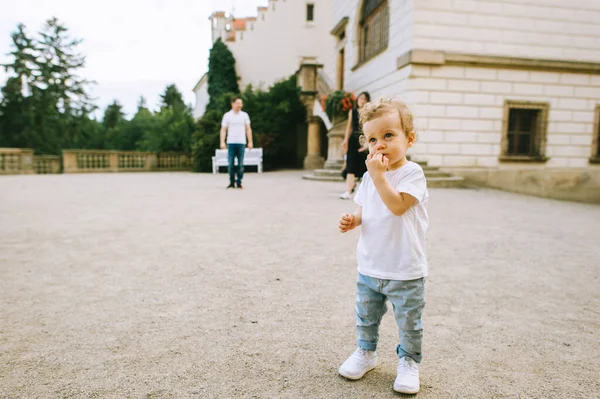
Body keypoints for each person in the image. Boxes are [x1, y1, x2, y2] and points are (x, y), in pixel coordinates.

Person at [337, 97, 429, 394]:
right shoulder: (368, 177)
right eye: (374, 138)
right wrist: (355, 219)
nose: (380, 145)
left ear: (409, 139)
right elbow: (368, 207)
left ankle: (409, 362)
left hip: (405, 268)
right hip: (371, 264)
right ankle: (366, 352)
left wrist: (378, 176)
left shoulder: (412, 174)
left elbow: (398, 205)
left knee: (409, 322)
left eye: (389, 135)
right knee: (366, 315)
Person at [340, 91, 371, 200]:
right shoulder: (352, 112)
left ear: (367, 101)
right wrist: (345, 140)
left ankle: (364, 194)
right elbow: (349, 127)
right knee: (350, 166)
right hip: (353, 141)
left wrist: (368, 143)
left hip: (364, 140)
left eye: (364, 99)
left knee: (365, 168)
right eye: (360, 98)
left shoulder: (368, 112)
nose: (362, 100)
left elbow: (370, 127)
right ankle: (349, 191)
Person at [220, 97, 253, 189]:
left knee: (240, 164)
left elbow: (248, 129)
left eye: (241, 103)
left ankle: (239, 181)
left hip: (241, 142)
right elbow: (223, 129)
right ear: (233, 104)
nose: (240, 105)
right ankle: (231, 181)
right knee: (230, 164)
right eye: (238, 103)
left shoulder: (244, 115)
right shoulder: (227, 115)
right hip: (231, 143)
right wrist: (222, 142)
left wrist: (250, 141)